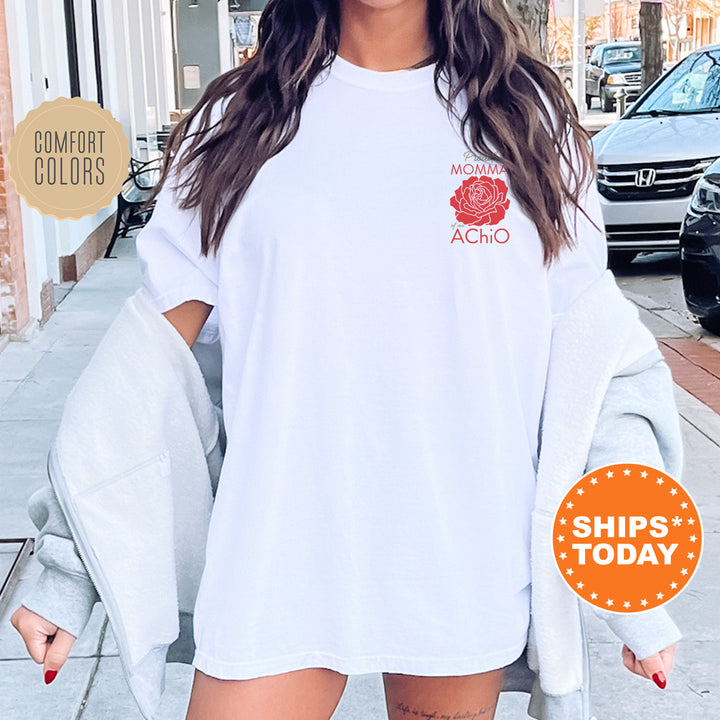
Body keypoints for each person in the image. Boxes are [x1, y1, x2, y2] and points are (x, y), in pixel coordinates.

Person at [11, 1, 681, 719]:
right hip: (279, 551)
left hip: (462, 554)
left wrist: (631, 578)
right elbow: (145, 374)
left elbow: (596, 365)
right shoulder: (238, 123)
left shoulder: (526, 118)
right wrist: (67, 563)